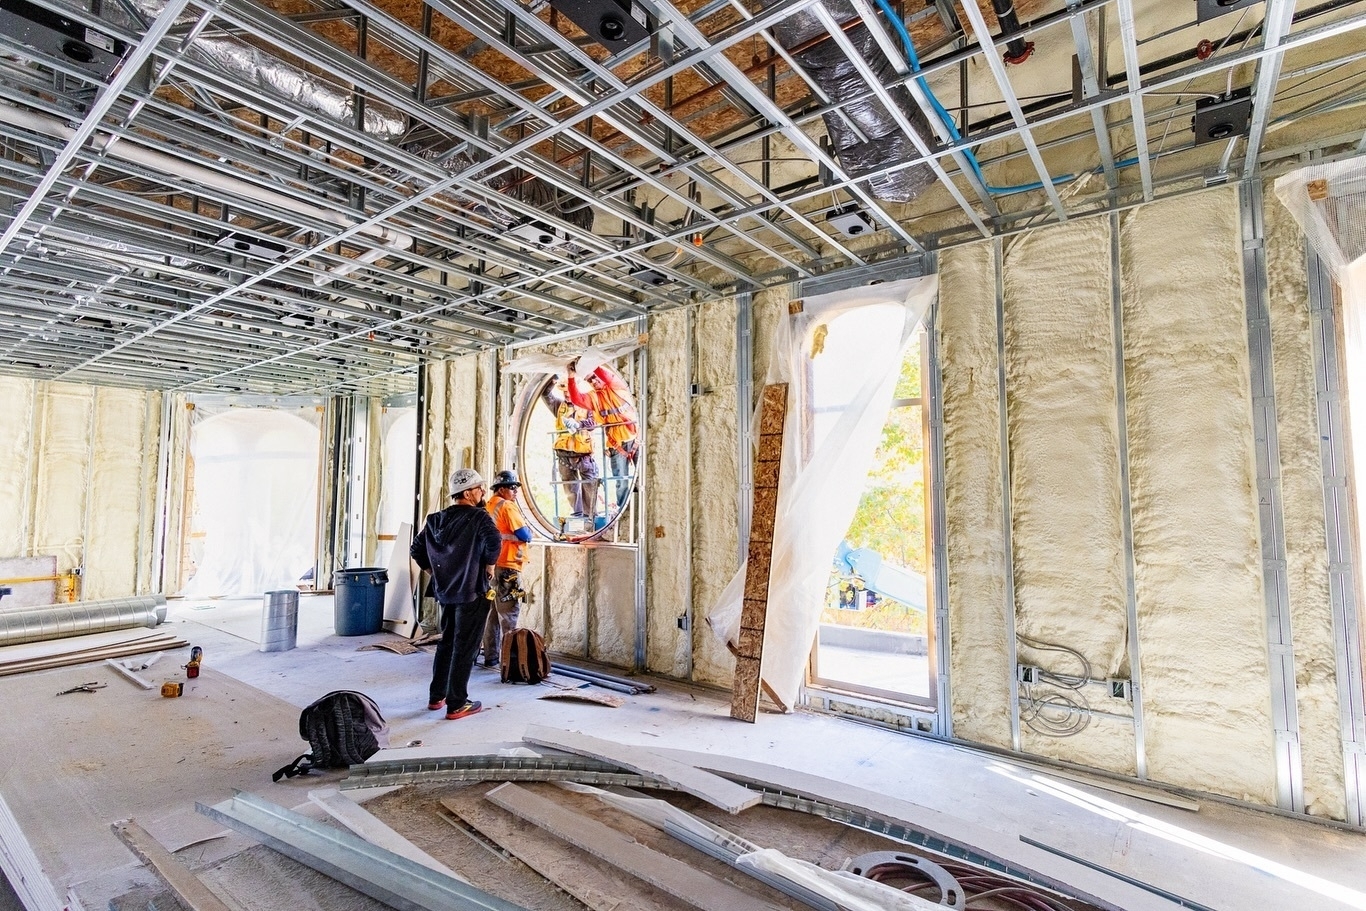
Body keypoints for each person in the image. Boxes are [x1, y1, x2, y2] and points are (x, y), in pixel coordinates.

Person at [410, 468, 501, 720]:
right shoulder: (479, 518)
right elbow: (494, 541)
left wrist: (434, 571)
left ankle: (436, 696)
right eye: (480, 488)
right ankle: (457, 703)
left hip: (446, 591)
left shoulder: (435, 519)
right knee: (465, 646)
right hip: (472, 591)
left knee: (447, 642)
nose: (483, 492)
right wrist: (490, 566)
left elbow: (416, 549)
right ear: (469, 493)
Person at [567, 359, 638, 508]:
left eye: (593, 377)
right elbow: (576, 398)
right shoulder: (594, 397)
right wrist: (571, 377)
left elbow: (605, 376)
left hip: (635, 438)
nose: (593, 381)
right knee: (621, 481)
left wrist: (590, 363)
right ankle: (624, 510)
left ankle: (642, 505)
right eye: (589, 380)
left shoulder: (616, 385)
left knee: (644, 474)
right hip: (616, 443)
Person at [482, 468, 531, 668]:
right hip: (508, 569)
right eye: (512, 488)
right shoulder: (507, 506)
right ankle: (510, 662)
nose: (515, 492)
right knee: (509, 615)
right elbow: (523, 534)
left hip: (491, 568)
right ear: (501, 489)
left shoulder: (488, 505)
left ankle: (491, 657)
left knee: (492, 614)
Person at [541, 378, 599, 519]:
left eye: (569, 391)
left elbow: (594, 422)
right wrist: (552, 379)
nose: (567, 394)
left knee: (589, 486)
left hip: (583, 454)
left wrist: (578, 424)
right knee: (570, 488)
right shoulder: (559, 406)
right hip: (564, 454)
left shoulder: (587, 405)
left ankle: (590, 516)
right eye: (565, 391)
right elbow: (545, 394)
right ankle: (578, 514)